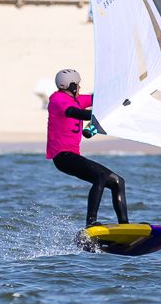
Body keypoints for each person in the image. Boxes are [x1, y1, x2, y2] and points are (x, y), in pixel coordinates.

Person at [46, 68, 127, 228]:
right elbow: (74, 113)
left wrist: (121, 93)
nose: (80, 88)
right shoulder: (57, 100)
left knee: (118, 182)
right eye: (78, 85)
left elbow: (96, 99)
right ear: (72, 86)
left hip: (72, 156)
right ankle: (90, 223)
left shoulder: (76, 99)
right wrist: (98, 115)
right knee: (100, 176)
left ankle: (125, 225)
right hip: (63, 157)